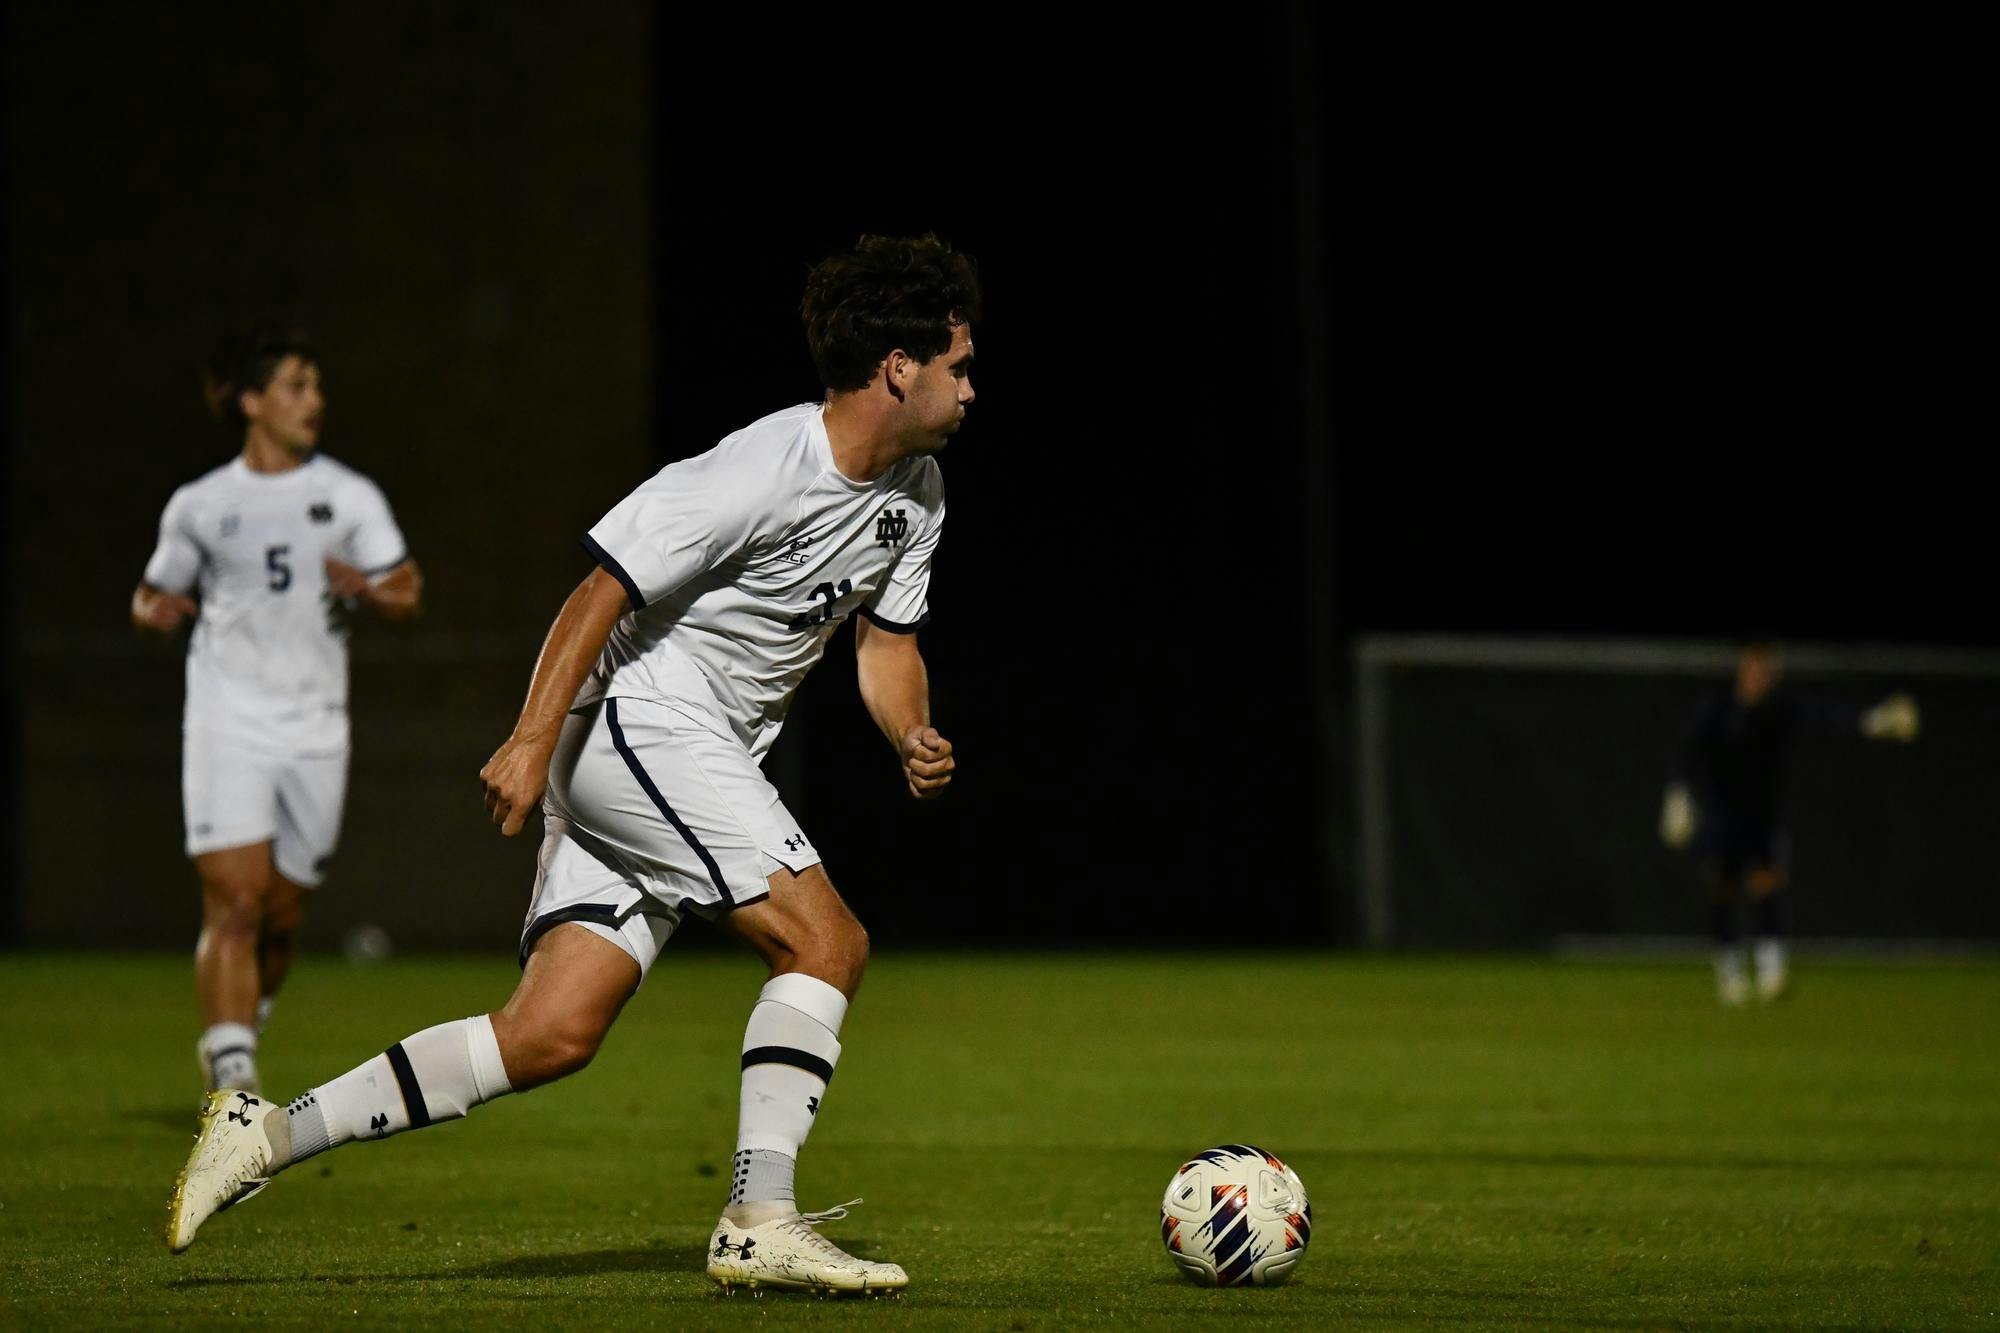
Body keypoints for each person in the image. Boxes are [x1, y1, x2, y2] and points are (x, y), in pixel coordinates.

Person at [164, 234, 977, 1296]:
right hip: (643, 724)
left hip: (677, 753)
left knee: (548, 1033)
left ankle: (265, 1133)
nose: (971, 386)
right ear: (897, 366)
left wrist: (905, 729)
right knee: (825, 942)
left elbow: (884, 643)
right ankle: (758, 1214)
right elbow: (601, 589)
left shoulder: (917, 493)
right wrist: (531, 734)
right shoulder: (758, 469)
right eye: (958, 363)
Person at [134, 327, 422, 1096]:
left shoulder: (349, 494)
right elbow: (151, 591)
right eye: (296, 385)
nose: (314, 400)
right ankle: (233, 1087)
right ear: (252, 401)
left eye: (316, 385)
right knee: (234, 898)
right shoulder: (201, 503)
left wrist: (369, 587)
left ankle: (242, 1023)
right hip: (227, 716)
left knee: (283, 914)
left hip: (316, 724)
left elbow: (407, 587)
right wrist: (152, 610)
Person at [1658, 642, 1918, 1005]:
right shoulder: (1716, 710)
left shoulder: (1780, 710)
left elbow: (1827, 718)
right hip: (1721, 816)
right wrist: (1676, 794)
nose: (1757, 678)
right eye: (1752, 670)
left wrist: (1872, 721)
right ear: (1741, 671)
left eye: (1765, 673)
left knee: (1767, 886)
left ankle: (1771, 973)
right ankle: (1730, 975)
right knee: (1724, 891)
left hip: (1764, 816)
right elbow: (1684, 752)